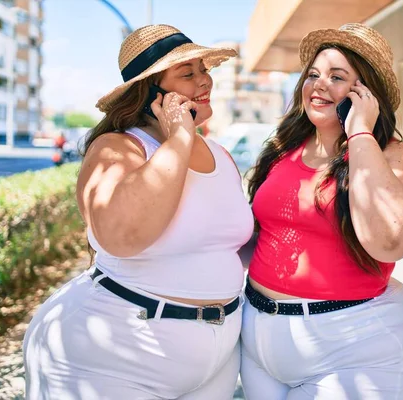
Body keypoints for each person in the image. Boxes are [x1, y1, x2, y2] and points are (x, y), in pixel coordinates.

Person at [23, 25, 253, 399]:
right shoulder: (117, 147)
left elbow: (225, 244)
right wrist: (179, 136)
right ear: (151, 94)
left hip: (216, 358)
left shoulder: (221, 156)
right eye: (187, 73)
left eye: (203, 69)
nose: (204, 80)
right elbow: (122, 236)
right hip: (114, 359)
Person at [241, 23, 403, 399]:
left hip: (353, 349)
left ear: (365, 92)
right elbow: (260, 234)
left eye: (337, 76)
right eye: (313, 74)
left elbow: (391, 240)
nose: (319, 84)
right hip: (259, 338)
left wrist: (360, 133)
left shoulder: (394, 155)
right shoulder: (283, 149)